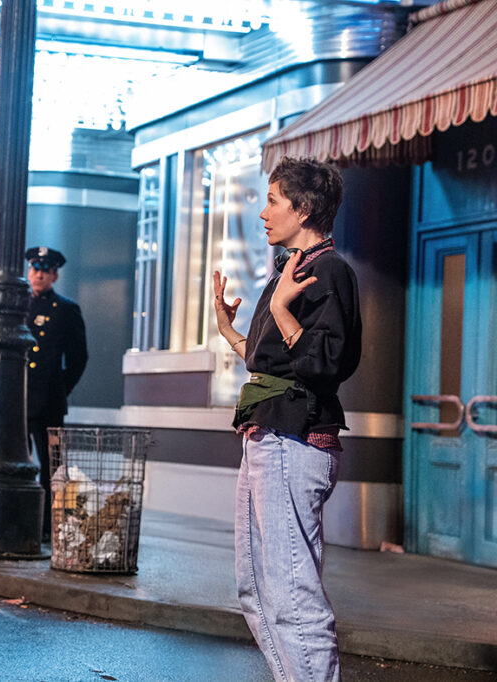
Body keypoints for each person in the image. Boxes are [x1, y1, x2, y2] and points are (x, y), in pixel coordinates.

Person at [213, 157, 361, 682]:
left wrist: (280, 311)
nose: (263, 213)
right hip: (268, 435)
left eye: (273, 201)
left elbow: (328, 364)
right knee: (256, 588)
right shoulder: (288, 271)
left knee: (292, 593)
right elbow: (268, 363)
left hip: (293, 439)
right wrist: (229, 331)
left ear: (303, 209)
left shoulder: (330, 270)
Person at [24, 246, 88, 539]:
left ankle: (48, 527)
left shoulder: (66, 309)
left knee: (52, 466)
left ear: (55, 275)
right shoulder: (19, 304)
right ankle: (23, 520)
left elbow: (78, 357)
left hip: (48, 400)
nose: (39, 275)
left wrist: (60, 387)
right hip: (18, 398)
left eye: (45, 270)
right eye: (35, 269)